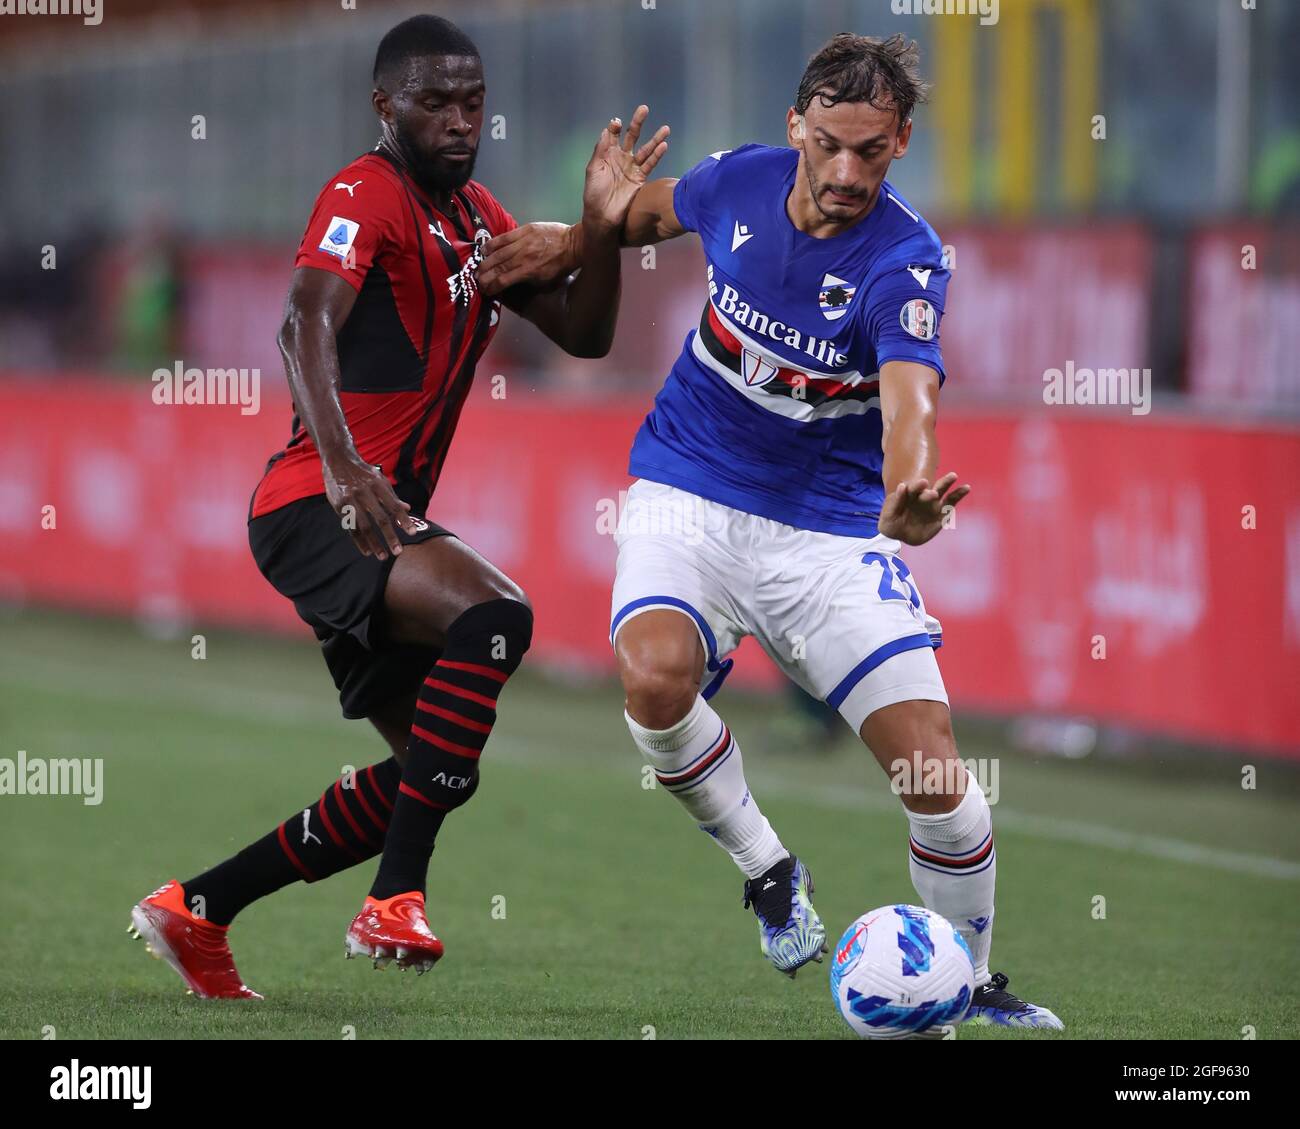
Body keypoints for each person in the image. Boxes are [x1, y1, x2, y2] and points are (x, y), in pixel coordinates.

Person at [481, 32, 1061, 1029]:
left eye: (871, 152)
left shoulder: (905, 263)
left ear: (901, 143)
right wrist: (583, 218)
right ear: (794, 127)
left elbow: (909, 402)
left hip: (829, 535)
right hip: (689, 488)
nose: (845, 173)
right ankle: (767, 869)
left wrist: (911, 489)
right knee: (654, 682)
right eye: (828, 145)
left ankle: (966, 982)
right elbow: (631, 221)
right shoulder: (736, 184)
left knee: (935, 776)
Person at [128, 14, 667, 999]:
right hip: (315, 504)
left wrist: (600, 230)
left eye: (473, 103)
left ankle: (196, 909)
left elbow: (584, 338)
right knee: (496, 613)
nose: (459, 122)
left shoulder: (476, 219)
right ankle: (393, 898)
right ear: (386, 105)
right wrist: (342, 472)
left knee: (429, 769)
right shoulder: (362, 193)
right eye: (435, 102)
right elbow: (302, 327)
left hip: (367, 519)